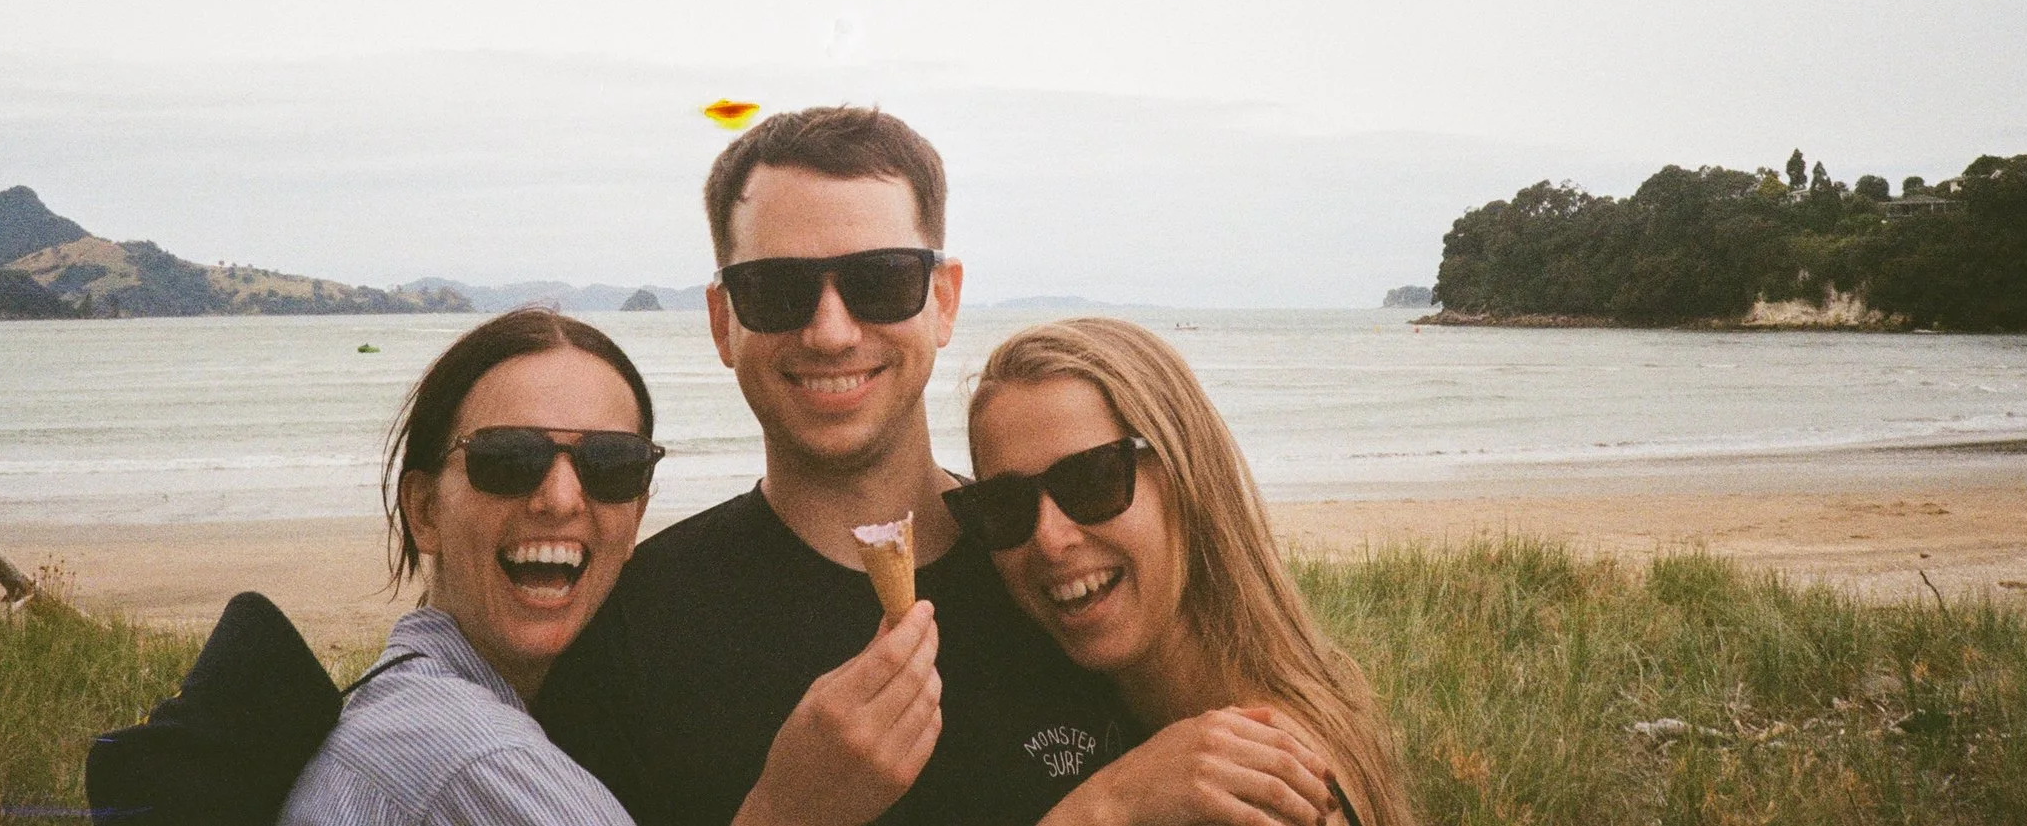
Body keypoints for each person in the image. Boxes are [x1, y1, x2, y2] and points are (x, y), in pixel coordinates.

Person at [534, 107, 1124, 826]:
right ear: (723, 321)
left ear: (943, 299)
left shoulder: (1059, 573)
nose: (831, 330)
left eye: (880, 279)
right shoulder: (629, 636)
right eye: (777, 290)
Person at [957, 318, 1416, 826]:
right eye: (1004, 505)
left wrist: (1108, 806)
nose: (1049, 538)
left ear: (1187, 476)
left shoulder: (1258, 786)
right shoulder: (1151, 716)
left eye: (1091, 480)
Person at [280, 309, 671, 825]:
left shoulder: (397, 703)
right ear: (424, 511)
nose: (561, 499)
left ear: (637, 516)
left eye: (614, 465)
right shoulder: (478, 759)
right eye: (508, 459)